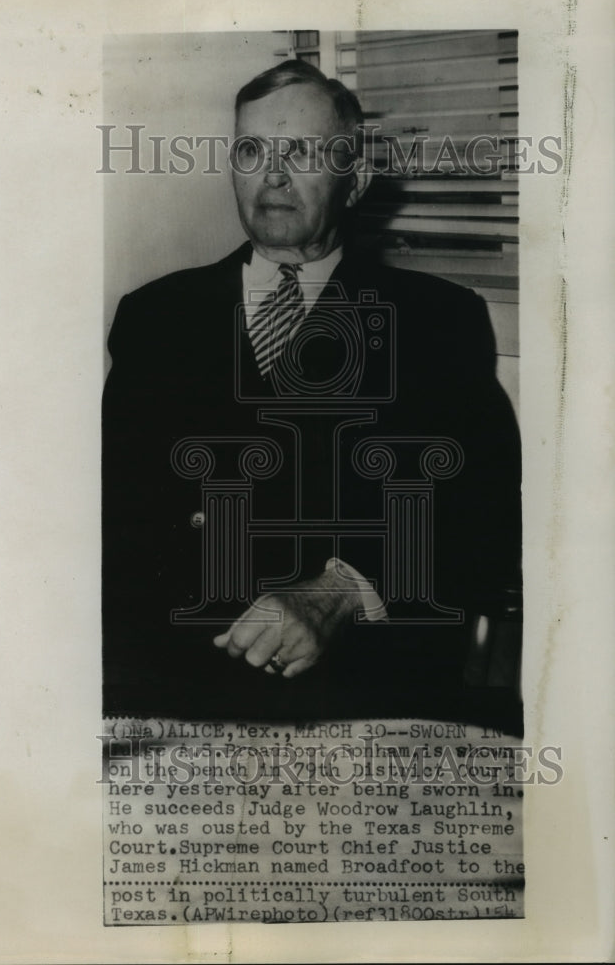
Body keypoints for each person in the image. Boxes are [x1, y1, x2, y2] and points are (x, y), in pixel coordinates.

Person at [102, 60, 521, 725]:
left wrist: (345, 589)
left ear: (354, 181)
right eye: (251, 150)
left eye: (301, 152)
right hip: (184, 684)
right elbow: (114, 524)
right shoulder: (155, 316)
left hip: (364, 690)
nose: (272, 175)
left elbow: (485, 521)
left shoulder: (440, 321)